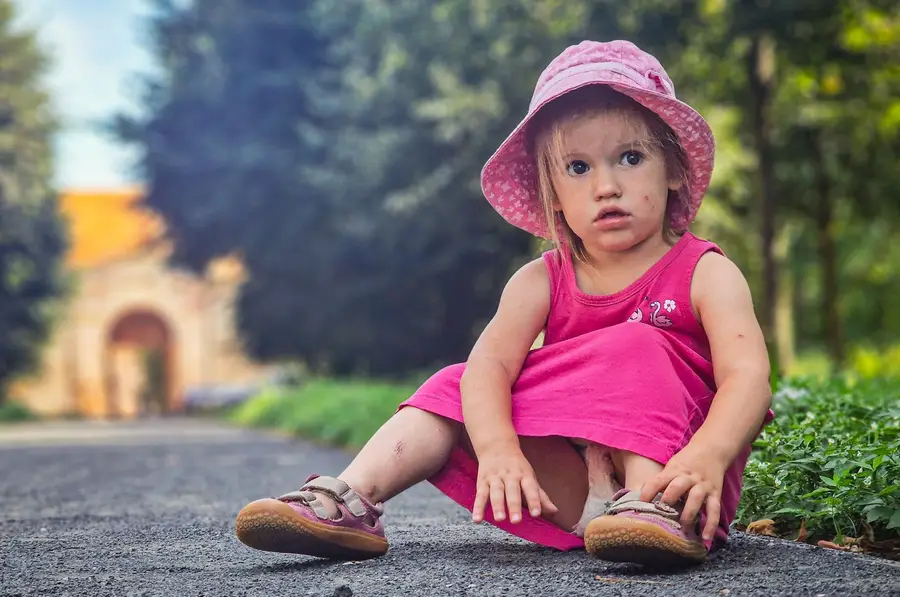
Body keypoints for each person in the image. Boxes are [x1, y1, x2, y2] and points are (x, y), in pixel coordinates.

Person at [233, 39, 774, 568]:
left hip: (682, 485)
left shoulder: (704, 272)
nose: (606, 186)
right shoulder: (542, 279)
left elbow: (748, 378)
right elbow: (488, 369)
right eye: (579, 168)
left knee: (636, 344)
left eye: (630, 158)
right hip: (571, 483)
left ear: (673, 169)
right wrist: (498, 450)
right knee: (458, 381)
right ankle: (349, 500)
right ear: (552, 193)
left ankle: (650, 507)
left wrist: (708, 456)